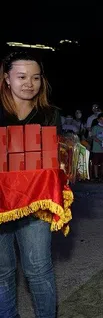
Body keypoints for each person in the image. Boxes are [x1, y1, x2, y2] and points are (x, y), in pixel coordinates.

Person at [0, 51, 61, 318]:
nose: (29, 83)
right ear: (6, 79)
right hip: (1, 206)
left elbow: (57, 161)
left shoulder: (50, 115)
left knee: (38, 269)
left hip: (37, 205)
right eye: (22, 76)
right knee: (2, 272)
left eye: (36, 77)